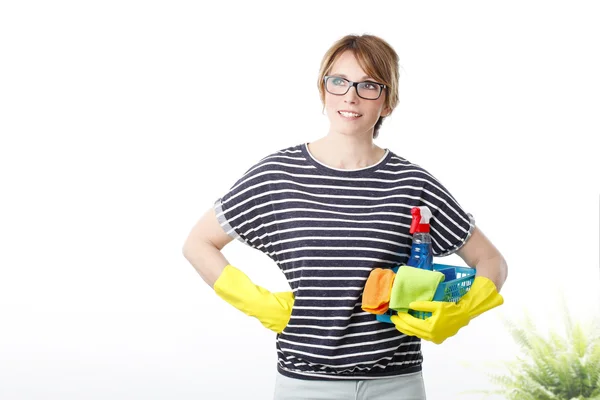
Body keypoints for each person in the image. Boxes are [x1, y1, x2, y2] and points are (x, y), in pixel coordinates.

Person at [182, 34, 508, 400]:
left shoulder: (412, 183)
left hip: (396, 384)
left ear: (388, 102)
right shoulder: (278, 175)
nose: (350, 96)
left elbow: (491, 260)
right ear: (323, 91)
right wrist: (258, 302)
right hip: (304, 384)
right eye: (338, 82)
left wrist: (463, 310)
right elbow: (199, 243)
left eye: (369, 85)